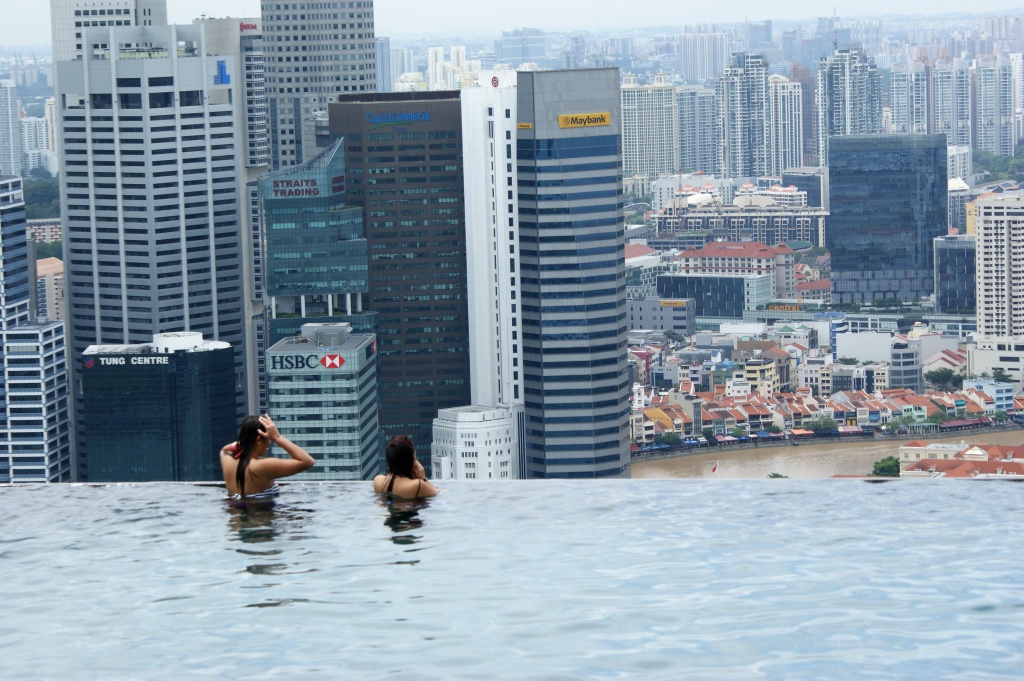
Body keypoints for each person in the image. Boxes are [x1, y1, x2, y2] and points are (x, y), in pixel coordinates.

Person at [220, 414, 314, 499]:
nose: (269, 442)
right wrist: (277, 437)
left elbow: (226, 448)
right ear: (259, 440)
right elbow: (307, 462)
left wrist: (247, 441)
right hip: (261, 512)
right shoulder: (260, 466)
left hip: (236, 511)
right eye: (269, 438)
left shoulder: (226, 457)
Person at [373, 435, 438, 499]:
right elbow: (437, 493)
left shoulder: (378, 481)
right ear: (411, 460)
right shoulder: (418, 485)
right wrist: (424, 478)